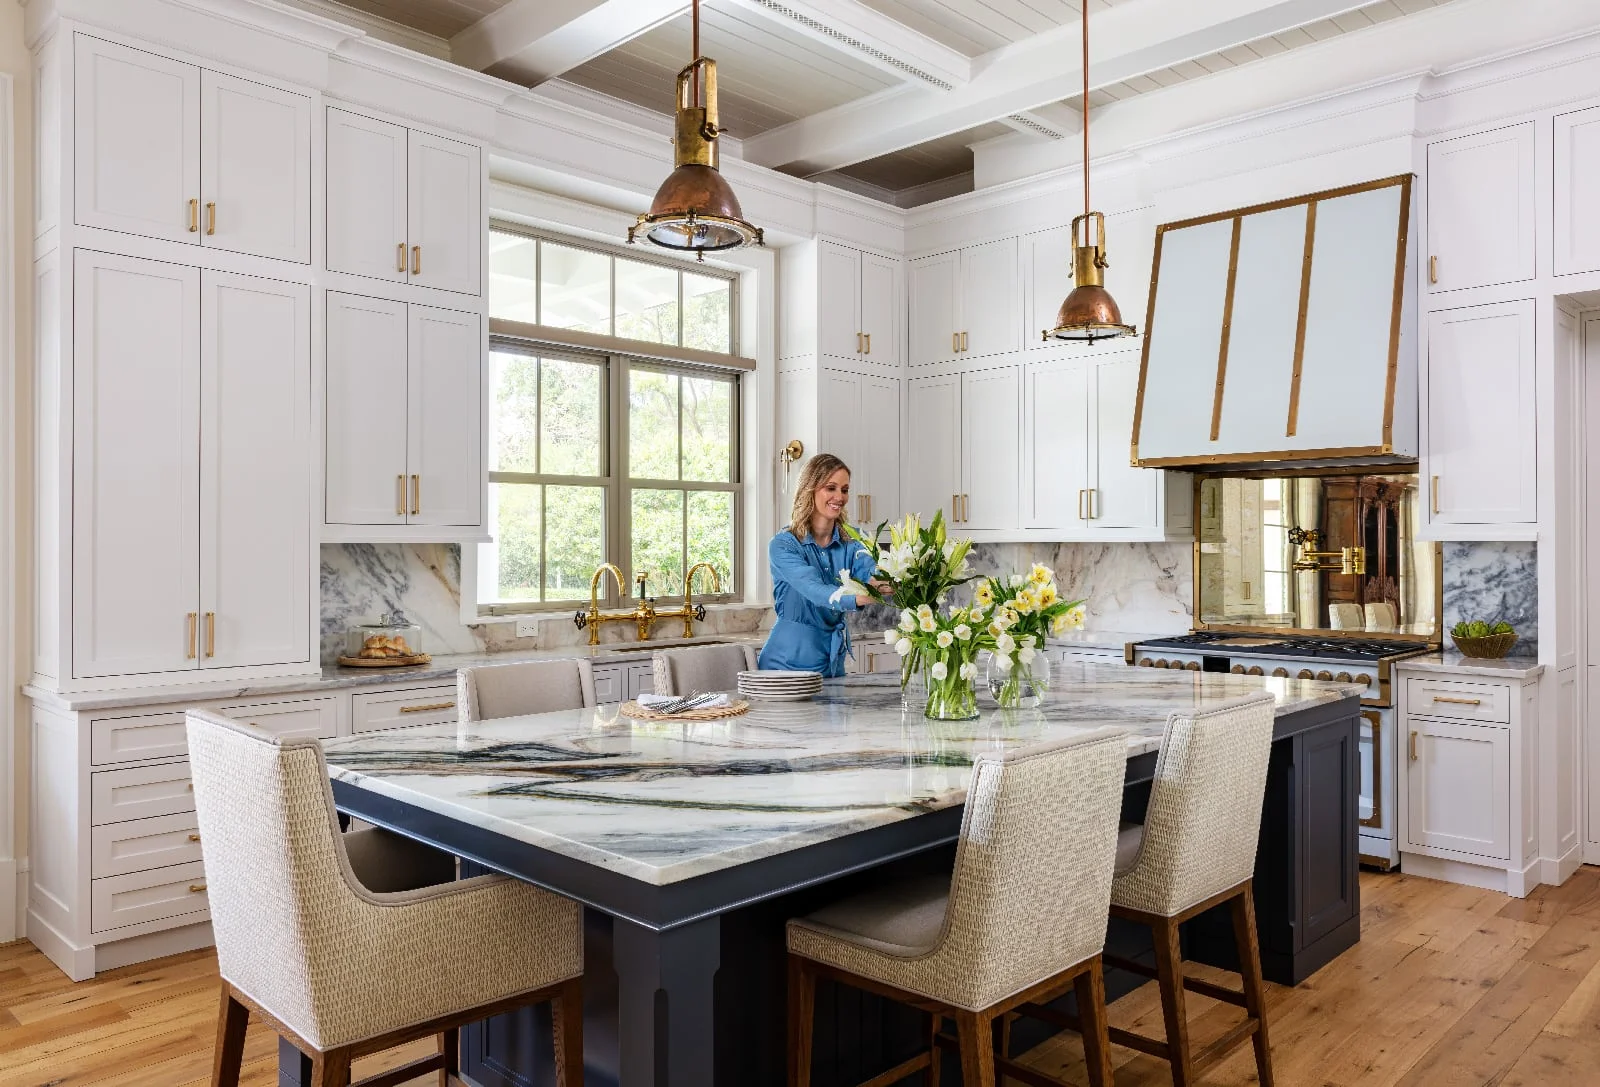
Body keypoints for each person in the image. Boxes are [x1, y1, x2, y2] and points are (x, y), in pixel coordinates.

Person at [757, 454, 889, 676]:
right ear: (810, 489)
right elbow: (814, 589)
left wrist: (888, 581)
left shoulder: (854, 541)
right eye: (831, 488)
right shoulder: (783, 545)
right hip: (785, 668)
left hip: (831, 665)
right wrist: (858, 597)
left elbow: (871, 572)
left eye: (844, 490)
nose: (839, 496)